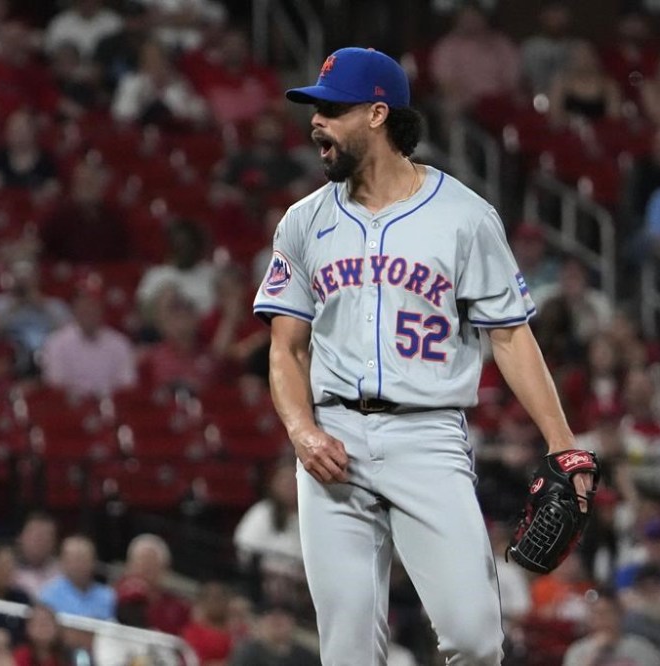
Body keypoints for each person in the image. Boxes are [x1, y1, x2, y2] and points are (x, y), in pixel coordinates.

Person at [253, 46, 594, 666]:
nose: (316, 122)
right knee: (348, 651)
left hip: (428, 436)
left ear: (378, 114)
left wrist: (562, 441)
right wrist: (301, 431)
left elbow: (512, 336)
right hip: (333, 437)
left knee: (475, 639)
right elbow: (285, 346)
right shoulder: (303, 222)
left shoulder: (463, 216)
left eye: (332, 108)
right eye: (315, 110)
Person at [40, 280, 137, 398]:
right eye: (83, 306)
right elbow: (55, 383)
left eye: (93, 305)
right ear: (74, 309)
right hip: (71, 409)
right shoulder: (56, 343)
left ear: (101, 309)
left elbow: (127, 384)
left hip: (111, 407)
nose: (88, 311)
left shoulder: (120, 344)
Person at [233, 458, 305, 591]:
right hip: (263, 583)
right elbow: (246, 547)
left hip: (301, 585)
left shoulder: (308, 516)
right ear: (273, 484)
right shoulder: (262, 512)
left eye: (294, 480)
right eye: (284, 480)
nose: (290, 486)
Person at [39, 159, 131, 263]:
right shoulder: (58, 219)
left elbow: (123, 257)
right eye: (81, 183)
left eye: (90, 183)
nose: (86, 189)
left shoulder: (114, 219)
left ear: (101, 187)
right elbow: (46, 255)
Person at [113, 534, 190, 636]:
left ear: (164, 570)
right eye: (140, 562)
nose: (145, 568)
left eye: (151, 563)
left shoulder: (177, 608)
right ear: (129, 565)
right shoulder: (112, 596)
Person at [562, 592, 660, 666]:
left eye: (608, 613)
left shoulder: (643, 648)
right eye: (597, 614)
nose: (603, 620)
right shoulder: (577, 651)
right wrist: (594, 655)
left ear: (620, 615)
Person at [0, 109, 60, 200]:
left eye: (22, 130)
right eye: (14, 130)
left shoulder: (47, 162)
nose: (18, 135)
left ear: (33, 132)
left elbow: (53, 190)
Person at [547, 40, 623, 128]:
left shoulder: (609, 84)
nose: (584, 60)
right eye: (579, 56)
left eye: (587, 55)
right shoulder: (561, 82)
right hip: (569, 132)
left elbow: (614, 116)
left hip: (601, 132)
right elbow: (554, 113)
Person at [38, 536, 115, 621]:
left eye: (84, 559)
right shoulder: (48, 595)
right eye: (74, 560)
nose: (79, 565)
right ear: (62, 562)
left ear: (94, 562)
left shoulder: (108, 595)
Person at [228, 603, 320, 666]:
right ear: (260, 623)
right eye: (271, 616)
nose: (277, 618)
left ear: (293, 623)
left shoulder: (306, 657)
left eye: (283, 616)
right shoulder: (247, 654)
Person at [518, 1, 577, 96]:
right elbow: (521, 81)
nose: (556, 18)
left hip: (569, 102)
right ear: (542, 16)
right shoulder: (530, 47)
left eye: (560, 13)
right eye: (552, 13)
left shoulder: (578, 48)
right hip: (537, 100)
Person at [44, 0, 121, 60]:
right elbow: (50, 51)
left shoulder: (113, 21)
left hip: (105, 73)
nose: (88, 3)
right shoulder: (60, 22)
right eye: (84, 0)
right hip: (66, 74)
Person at [181, 581, 234, 666]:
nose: (216, 603)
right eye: (212, 598)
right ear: (202, 602)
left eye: (221, 598)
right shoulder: (192, 633)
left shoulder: (237, 634)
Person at [13, 513, 60, 601]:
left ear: (54, 543)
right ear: (20, 538)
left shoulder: (64, 572)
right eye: (35, 536)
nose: (40, 542)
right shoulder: (6, 570)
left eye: (46, 536)